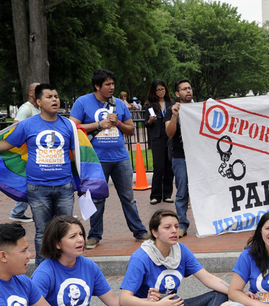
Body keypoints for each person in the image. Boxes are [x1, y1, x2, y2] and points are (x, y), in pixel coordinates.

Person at [32, 216, 155, 306]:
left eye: (81, 234)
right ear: (57, 244)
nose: (80, 240)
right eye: (72, 236)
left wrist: (146, 302)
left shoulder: (89, 266)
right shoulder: (44, 272)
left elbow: (114, 301)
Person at [0, 84, 75, 266]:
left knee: (64, 230)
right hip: (38, 188)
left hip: (64, 187)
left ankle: (65, 267)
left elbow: (77, 156)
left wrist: (82, 182)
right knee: (42, 232)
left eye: (56, 96)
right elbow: (6, 144)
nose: (55, 100)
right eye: (49, 97)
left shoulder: (68, 125)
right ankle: (42, 271)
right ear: (38, 102)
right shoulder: (27, 125)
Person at [119, 209, 230, 306]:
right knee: (171, 299)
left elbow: (208, 278)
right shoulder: (140, 258)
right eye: (167, 227)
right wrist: (158, 305)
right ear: (155, 232)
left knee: (218, 294)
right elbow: (124, 299)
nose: (174, 231)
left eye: (176, 226)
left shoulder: (181, 250)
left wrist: (239, 294)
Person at [69, 69, 149, 249]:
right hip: (96, 159)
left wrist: (118, 123)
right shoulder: (82, 102)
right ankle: (95, 235)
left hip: (120, 158)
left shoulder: (119, 104)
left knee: (128, 197)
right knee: (97, 198)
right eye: (107, 84)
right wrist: (98, 124)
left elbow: (131, 129)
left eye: (113, 84)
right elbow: (72, 127)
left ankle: (139, 231)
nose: (112, 87)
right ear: (97, 86)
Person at [9, 82, 41, 223]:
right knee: (31, 182)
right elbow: (15, 127)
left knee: (32, 183)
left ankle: (19, 211)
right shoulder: (26, 109)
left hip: (36, 152)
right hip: (28, 153)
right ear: (30, 93)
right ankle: (18, 211)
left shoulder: (37, 108)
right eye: (37, 90)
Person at [165, 79, 193, 238]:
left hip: (200, 157)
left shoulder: (199, 108)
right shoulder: (171, 110)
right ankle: (182, 224)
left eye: (189, 88)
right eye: (184, 89)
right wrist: (175, 115)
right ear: (177, 93)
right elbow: (169, 133)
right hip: (180, 156)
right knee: (182, 191)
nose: (188, 91)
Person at [144, 79, 174, 205]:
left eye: (162, 89)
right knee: (158, 166)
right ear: (154, 91)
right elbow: (146, 124)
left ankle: (167, 194)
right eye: (158, 90)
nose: (161, 92)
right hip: (157, 137)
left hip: (170, 136)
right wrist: (151, 120)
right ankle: (155, 195)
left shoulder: (171, 104)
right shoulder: (150, 105)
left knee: (169, 166)